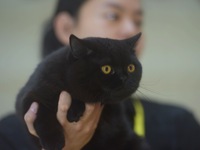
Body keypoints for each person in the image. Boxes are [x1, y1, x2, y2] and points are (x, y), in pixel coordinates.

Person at [0, 0, 200, 150]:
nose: (131, 29)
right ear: (66, 27)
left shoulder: (177, 126)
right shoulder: (9, 134)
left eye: (138, 21)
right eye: (113, 16)